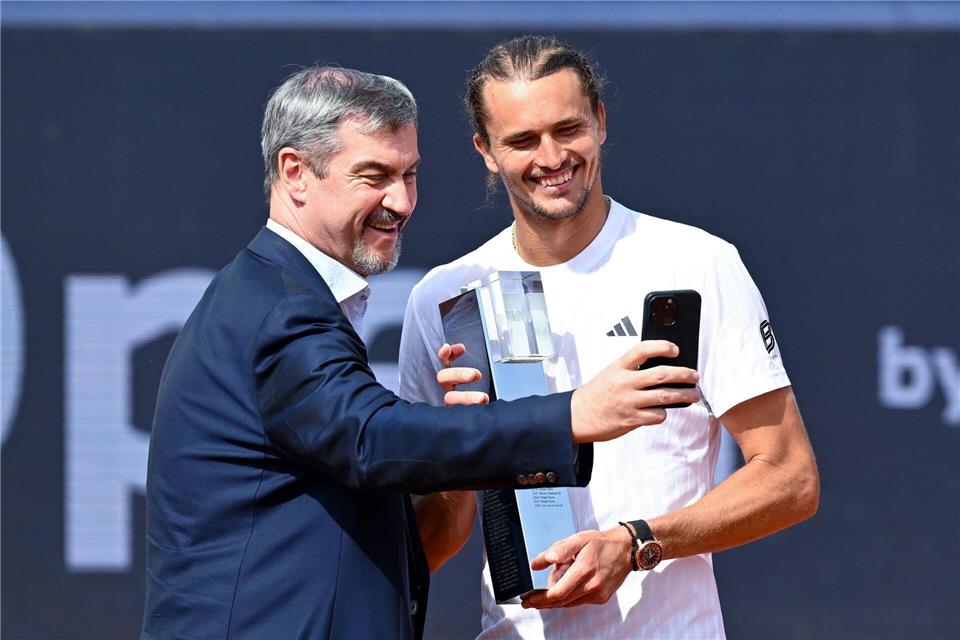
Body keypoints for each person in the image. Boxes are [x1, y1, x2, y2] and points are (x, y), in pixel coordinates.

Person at [142, 65, 700, 640]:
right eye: (374, 176)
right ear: (295, 172)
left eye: (409, 174)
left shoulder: (272, 293)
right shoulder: (281, 309)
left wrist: (463, 443)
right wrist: (569, 414)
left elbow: (379, 516)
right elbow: (371, 438)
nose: (402, 201)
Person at [398, 36, 820, 639]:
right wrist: (464, 447)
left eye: (567, 129)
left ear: (599, 121)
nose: (550, 157)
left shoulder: (695, 263)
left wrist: (639, 542)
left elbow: (790, 478)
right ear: (486, 151)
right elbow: (434, 543)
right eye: (521, 140)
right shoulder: (445, 298)